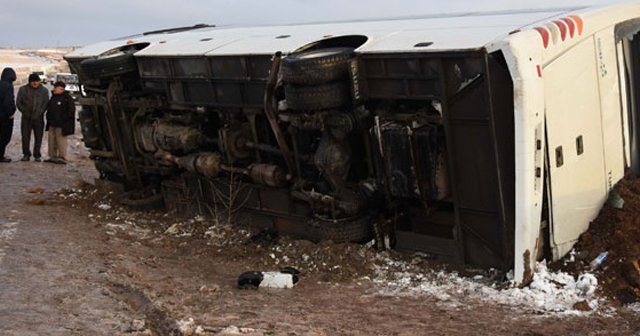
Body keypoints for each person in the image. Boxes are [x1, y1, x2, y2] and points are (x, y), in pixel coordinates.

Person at [16, 73, 49, 162]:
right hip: (26, 118)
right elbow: (19, 103)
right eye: (33, 81)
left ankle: (37, 155)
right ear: (29, 82)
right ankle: (26, 154)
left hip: (38, 118)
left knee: (38, 137)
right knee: (25, 137)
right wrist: (25, 112)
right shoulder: (22, 89)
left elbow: (45, 104)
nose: (35, 83)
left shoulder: (44, 90)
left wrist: (39, 113)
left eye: (36, 81)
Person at [45, 81, 75, 164]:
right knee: (51, 141)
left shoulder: (67, 98)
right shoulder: (53, 97)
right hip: (52, 123)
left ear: (61, 89)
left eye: (56, 87)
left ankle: (62, 156)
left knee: (61, 141)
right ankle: (52, 156)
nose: (54, 89)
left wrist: (63, 119)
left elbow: (71, 111)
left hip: (62, 124)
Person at [0, 68, 17, 163]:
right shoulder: (8, 86)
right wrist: (11, 113)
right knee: (4, 137)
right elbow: (8, 102)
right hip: (4, 117)